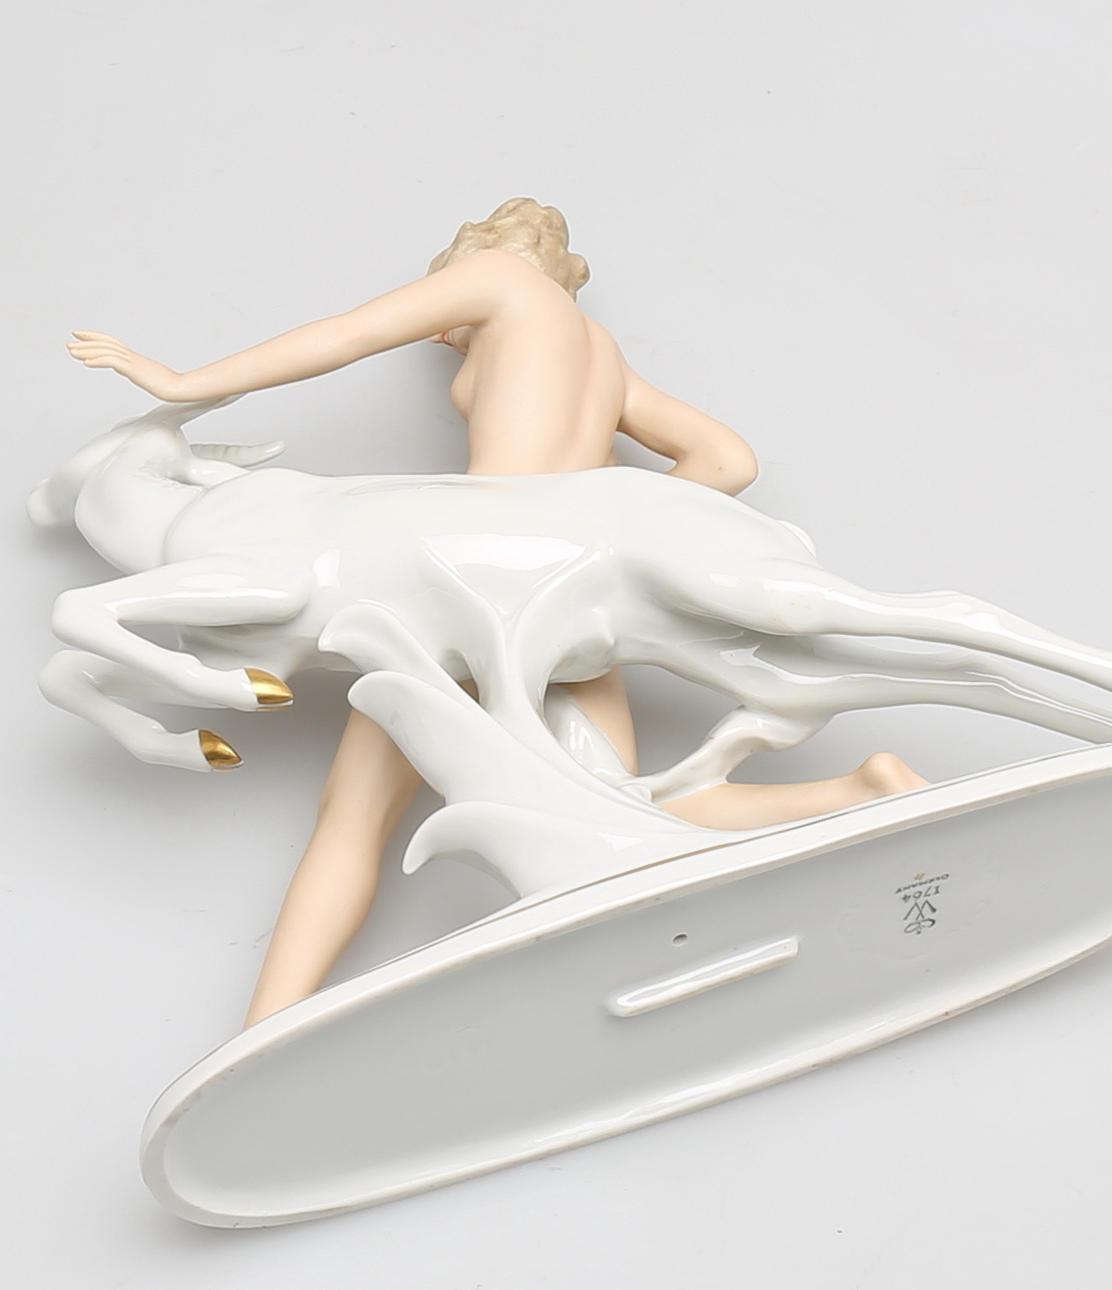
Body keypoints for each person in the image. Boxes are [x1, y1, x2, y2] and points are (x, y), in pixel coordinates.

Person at [68, 198, 926, 1026]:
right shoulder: (602, 353)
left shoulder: (499, 280)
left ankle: (265, 1029)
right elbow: (727, 460)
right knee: (616, 808)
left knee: (355, 820)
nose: (439, 336)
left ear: (478, 258)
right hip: (577, 592)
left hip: (459, 575)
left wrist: (181, 384)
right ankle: (861, 793)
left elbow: (346, 335)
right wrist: (615, 536)